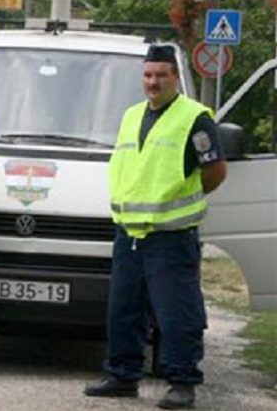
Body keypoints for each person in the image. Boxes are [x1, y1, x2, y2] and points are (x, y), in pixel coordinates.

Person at [84, 45, 227, 409]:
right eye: (148, 75)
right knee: (124, 310)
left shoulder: (195, 117)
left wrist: (182, 199)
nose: (154, 81)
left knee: (176, 312)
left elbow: (215, 172)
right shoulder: (132, 115)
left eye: (162, 75)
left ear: (175, 77)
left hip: (171, 235)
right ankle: (122, 376)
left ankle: (182, 381)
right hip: (129, 233)